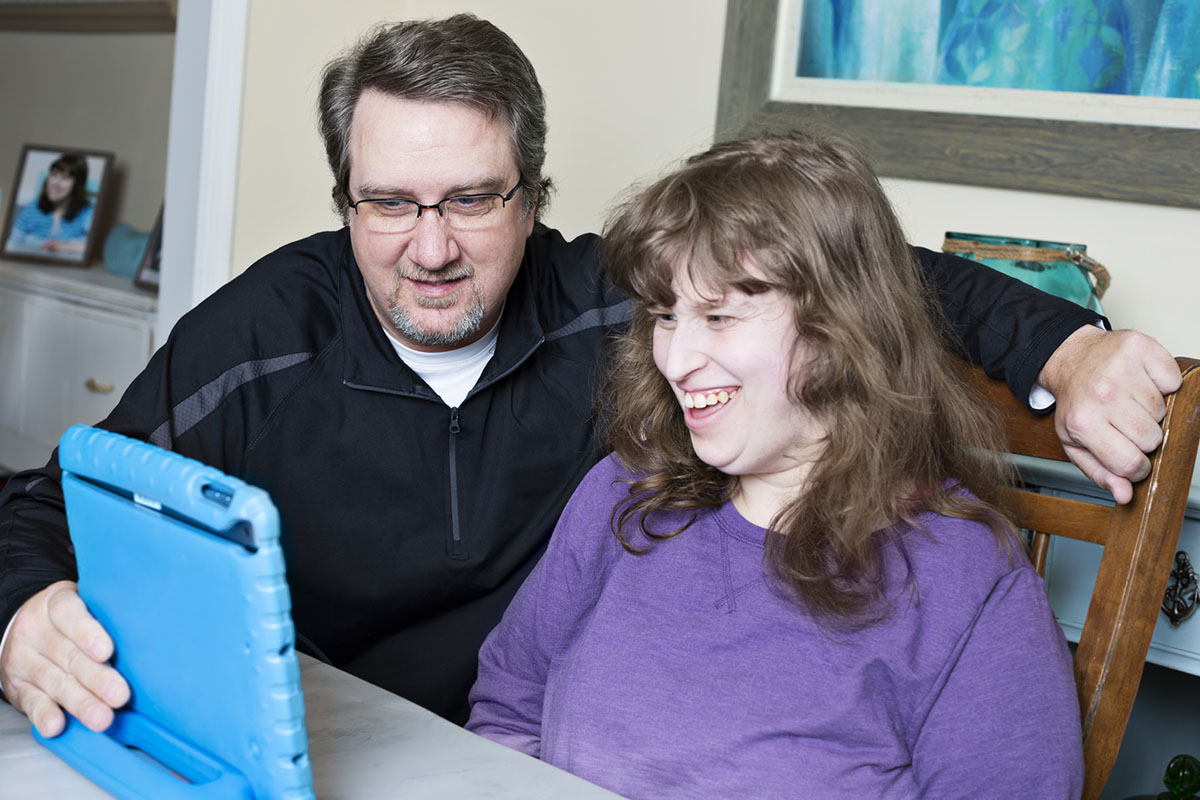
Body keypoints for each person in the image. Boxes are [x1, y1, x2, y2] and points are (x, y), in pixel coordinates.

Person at [0, 15, 1180, 737]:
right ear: (344, 202)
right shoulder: (263, 330)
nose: (430, 244)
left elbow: (853, 276)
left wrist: (1063, 349)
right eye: (388, 202)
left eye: (471, 197)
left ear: (535, 199)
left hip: (535, 750)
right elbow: (41, 508)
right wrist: (22, 615)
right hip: (328, 749)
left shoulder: (620, 307)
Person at [467, 129, 1083, 798]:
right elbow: (509, 705)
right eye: (666, 314)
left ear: (838, 327)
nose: (675, 360)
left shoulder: (963, 577)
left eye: (721, 316)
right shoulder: (623, 489)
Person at [5, 153, 93, 259]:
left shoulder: (86, 212)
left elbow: (92, 246)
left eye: (65, 178)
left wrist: (64, 246)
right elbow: (13, 243)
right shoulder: (33, 207)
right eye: (54, 174)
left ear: (77, 186)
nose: (55, 182)